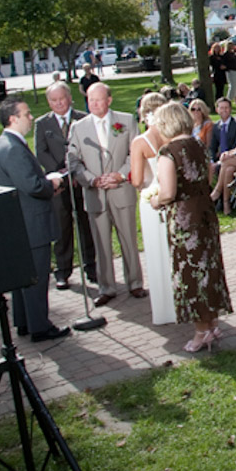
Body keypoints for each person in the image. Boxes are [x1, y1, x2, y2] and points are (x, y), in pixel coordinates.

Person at [146, 101, 231, 353]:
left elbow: (169, 191)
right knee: (210, 268)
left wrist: (155, 200)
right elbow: (207, 177)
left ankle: (201, 332)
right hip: (204, 213)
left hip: (184, 220)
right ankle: (213, 323)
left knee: (191, 274)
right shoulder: (198, 145)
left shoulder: (168, 151)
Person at [0, 98, 68, 343]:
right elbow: (32, 185)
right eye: (26, 114)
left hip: (20, 221)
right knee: (36, 277)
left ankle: (24, 321)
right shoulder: (12, 148)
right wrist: (52, 183)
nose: (31, 117)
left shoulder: (5, 145)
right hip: (31, 223)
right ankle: (40, 327)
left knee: (24, 276)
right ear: (13, 118)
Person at [66, 82, 144, 307]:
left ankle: (135, 282)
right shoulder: (78, 128)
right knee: (100, 242)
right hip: (95, 193)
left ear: (109, 100)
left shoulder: (126, 121)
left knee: (128, 238)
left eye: (98, 100)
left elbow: (134, 154)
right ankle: (107, 286)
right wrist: (91, 179)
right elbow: (73, 160)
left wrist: (120, 175)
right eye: (90, 100)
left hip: (121, 190)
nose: (94, 104)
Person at [34, 82, 96, 292]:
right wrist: (59, 172)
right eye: (53, 100)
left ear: (69, 98)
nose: (58, 103)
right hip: (58, 184)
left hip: (81, 180)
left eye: (61, 99)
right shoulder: (42, 124)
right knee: (62, 227)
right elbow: (41, 152)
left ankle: (91, 266)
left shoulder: (83, 119)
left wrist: (77, 171)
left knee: (85, 224)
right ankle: (63, 270)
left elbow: (89, 147)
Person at [127, 92, 177, 325]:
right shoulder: (174, 137)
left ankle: (165, 310)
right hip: (174, 196)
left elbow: (137, 180)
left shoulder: (140, 142)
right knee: (176, 251)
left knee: (157, 253)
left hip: (151, 198)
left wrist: (144, 184)